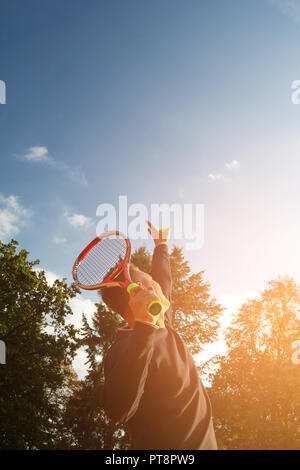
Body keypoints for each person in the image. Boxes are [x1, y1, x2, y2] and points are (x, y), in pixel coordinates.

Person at [101, 220, 218, 450]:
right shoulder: (124, 350)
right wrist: (144, 327)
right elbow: (117, 409)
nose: (159, 284)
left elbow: (163, 278)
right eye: (152, 282)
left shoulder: (163, 325)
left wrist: (161, 245)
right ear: (150, 292)